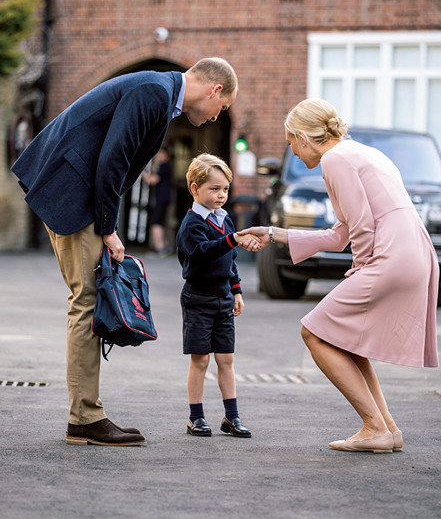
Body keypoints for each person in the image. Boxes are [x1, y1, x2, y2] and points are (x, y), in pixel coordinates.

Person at [11, 57, 238, 447]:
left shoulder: (161, 94)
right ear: (214, 90)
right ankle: (84, 418)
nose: (219, 117)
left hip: (74, 190)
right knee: (86, 300)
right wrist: (108, 227)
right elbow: (112, 159)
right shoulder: (154, 91)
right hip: (73, 192)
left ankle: (85, 416)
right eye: (224, 107)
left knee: (85, 298)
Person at [239, 98, 439, 453]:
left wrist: (360, 270)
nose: (294, 154)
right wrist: (272, 233)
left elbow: (361, 227)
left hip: (389, 257)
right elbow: (339, 233)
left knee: (313, 332)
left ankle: (374, 426)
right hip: (413, 253)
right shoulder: (362, 153)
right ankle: (387, 429)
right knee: (347, 339)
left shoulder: (335, 159)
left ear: (302, 136)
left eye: (290, 144)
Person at [176, 153, 257, 438]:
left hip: (223, 299)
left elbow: (229, 260)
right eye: (214, 188)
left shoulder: (225, 221)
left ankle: (231, 417)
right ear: (195, 189)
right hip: (198, 299)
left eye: (225, 189)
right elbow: (203, 253)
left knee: (226, 359)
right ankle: (195, 417)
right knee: (200, 360)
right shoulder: (191, 225)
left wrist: (236, 291)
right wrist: (231, 240)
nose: (221, 195)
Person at [141, 147, 173, 256]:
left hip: (162, 199)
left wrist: (140, 172)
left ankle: (160, 248)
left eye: (160, 154)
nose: (158, 156)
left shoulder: (165, 166)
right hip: (163, 199)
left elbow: (152, 180)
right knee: (159, 221)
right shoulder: (164, 166)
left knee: (155, 221)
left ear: (165, 155)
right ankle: (164, 245)